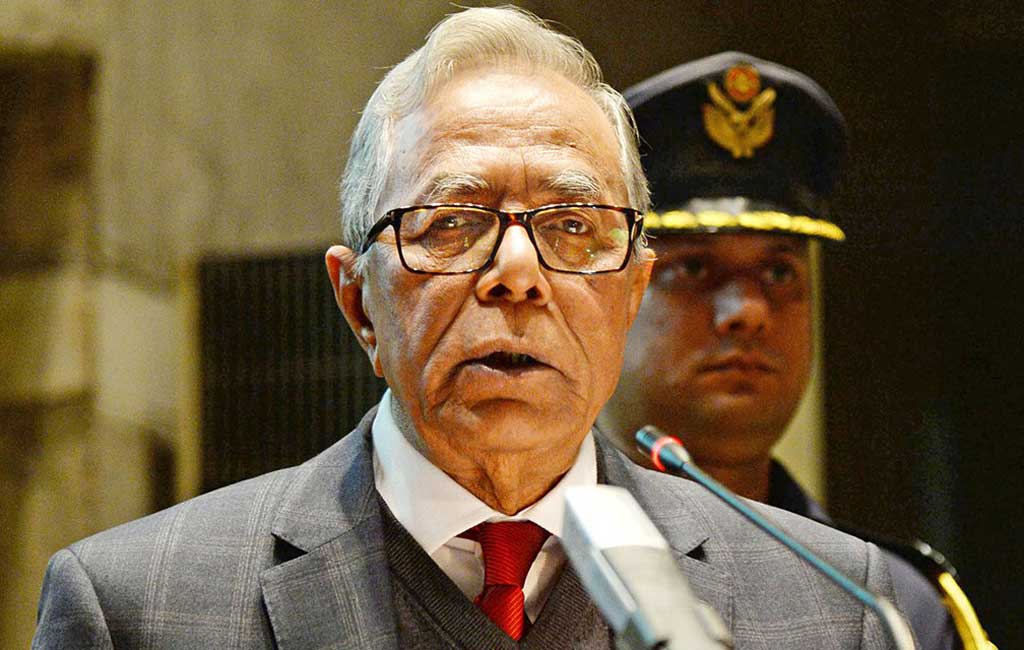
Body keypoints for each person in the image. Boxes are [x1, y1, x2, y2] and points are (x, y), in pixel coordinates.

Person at [34, 11, 901, 649]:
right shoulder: (139, 609)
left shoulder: (827, 608)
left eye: (573, 225)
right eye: (451, 223)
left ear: (632, 291)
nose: (517, 272)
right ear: (357, 302)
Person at [599, 52, 957, 649]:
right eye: (695, 267)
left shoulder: (895, 606)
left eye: (780, 273)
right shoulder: (527, 565)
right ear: (612, 292)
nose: (748, 310)